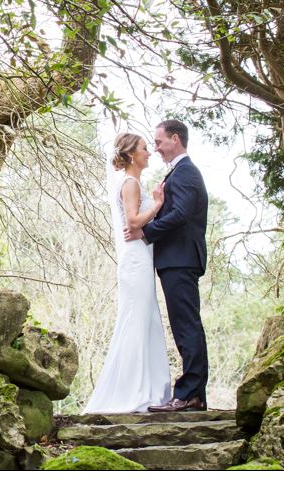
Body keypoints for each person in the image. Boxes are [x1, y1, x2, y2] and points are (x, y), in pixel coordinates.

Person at [83, 132, 172, 414]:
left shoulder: (132, 181)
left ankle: (149, 389)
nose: (149, 153)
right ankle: (133, 392)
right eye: (145, 148)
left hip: (141, 258)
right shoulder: (130, 182)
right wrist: (157, 205)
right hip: (136, 260)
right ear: (132, 154)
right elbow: (133, 222)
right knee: (136, 321)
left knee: (146, 321)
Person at [125, 119, 210, 412]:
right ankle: (192, 394)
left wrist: (146, 232)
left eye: (159, 142)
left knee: (187, 326)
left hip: (181, 259)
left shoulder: (186, 173)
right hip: (177, 260)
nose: (157, 148)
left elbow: (182, 214)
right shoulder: (179, 172)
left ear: (175, 139)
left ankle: (189, 394)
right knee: (184, 325)